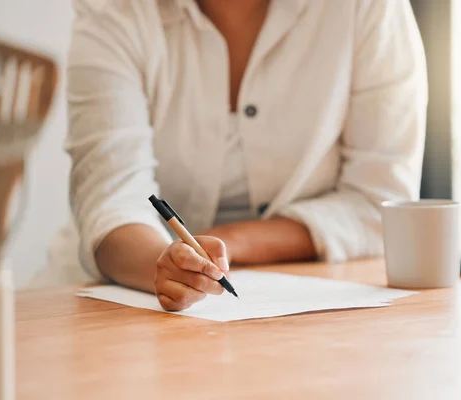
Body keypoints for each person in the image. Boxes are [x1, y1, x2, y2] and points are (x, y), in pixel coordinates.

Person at [46, 0, 427, 311]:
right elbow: (111, 199)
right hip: (118, 298)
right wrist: (165, 265)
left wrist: (223, 244)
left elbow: (380, 202)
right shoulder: (115, 12)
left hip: (313, 300)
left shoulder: (368, 8)